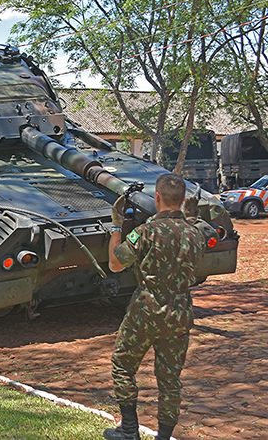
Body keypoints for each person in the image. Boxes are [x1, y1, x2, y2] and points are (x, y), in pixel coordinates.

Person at [104, 173, 206, 440]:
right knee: (170, 379)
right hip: (180, 313)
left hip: (146, 310)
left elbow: (116, 264)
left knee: (123, 366)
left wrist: (116, 226)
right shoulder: (196, 234)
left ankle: (128, 430)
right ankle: (164, 436)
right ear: (183, 201)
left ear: (157, 198)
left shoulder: (146, 232)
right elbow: (190, 235)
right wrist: (191, 217)